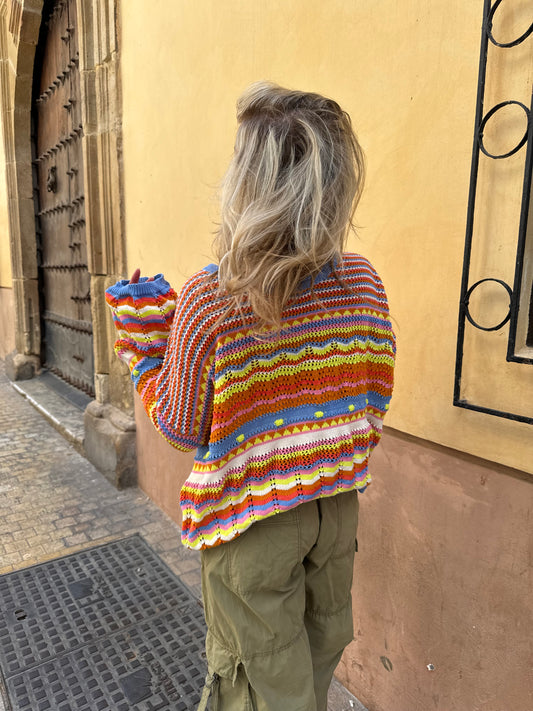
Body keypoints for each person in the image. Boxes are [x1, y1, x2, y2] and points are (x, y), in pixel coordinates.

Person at [105, 81, 395, 711]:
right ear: (334, 185)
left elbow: (181, 426)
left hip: (251, 517)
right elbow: (376, 396)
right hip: (336, 506)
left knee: (256, 685)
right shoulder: (365, 284)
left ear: (248, 185)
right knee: (317, 658)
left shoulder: (211, 302)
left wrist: (147, 353)